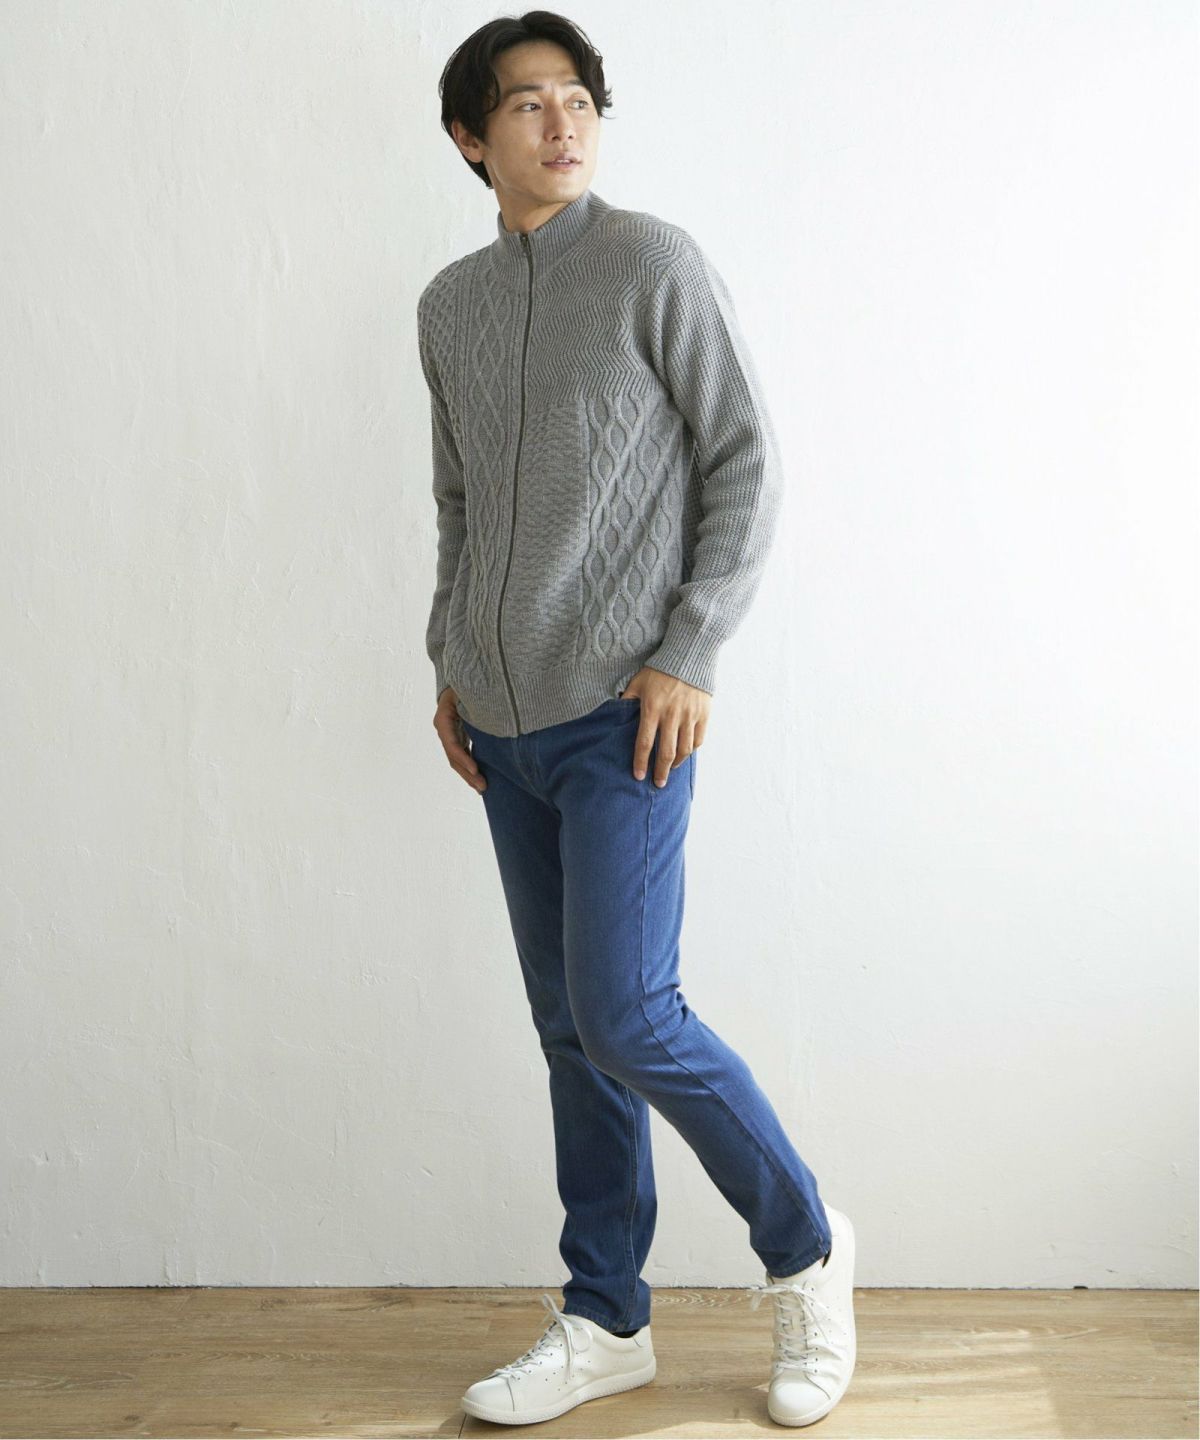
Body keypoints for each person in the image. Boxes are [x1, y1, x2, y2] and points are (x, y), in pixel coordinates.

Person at [416, 10, 857, 1428]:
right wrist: (449, 655)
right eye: (525, 104)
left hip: (625, 713)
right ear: (472, 138)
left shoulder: (652, 262)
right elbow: (461, 499)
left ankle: (809, 1250)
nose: (562, 124)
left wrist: (691, 652)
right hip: (502, 725)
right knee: (571, 1030)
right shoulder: (448, 306)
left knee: (628, 1012)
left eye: (579, 99)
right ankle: (606, 1317)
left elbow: (745, 458)